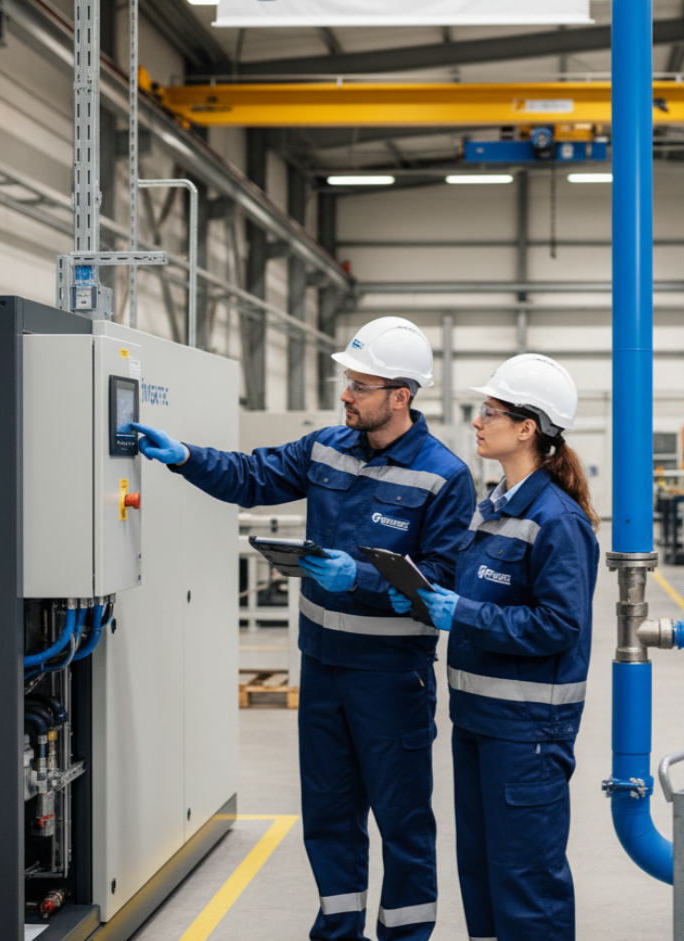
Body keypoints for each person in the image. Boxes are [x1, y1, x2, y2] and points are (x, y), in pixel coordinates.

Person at [131, 316, 476, 941]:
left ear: (400, 395)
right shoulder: (324, 447)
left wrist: (363, 580)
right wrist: (184, 457)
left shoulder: (443, 476)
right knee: (328, 814)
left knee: (401, 822)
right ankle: (338, 930)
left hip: (391, 680)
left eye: (360, 384)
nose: (346, 393)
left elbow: (443, 586)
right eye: (347, 381)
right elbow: (251, 475)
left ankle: (404, 936)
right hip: (321, 667)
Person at [388, 353, 598, 941]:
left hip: (528, 733)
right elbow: (473, 585)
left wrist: (466, 614)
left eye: (490, 411)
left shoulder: (558, 521)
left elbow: (559, 626)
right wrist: (426, 596)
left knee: (526, 883)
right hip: (478, 722)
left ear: (527, 427)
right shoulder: (495, 507)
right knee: (481, 876)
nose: (478, 422)